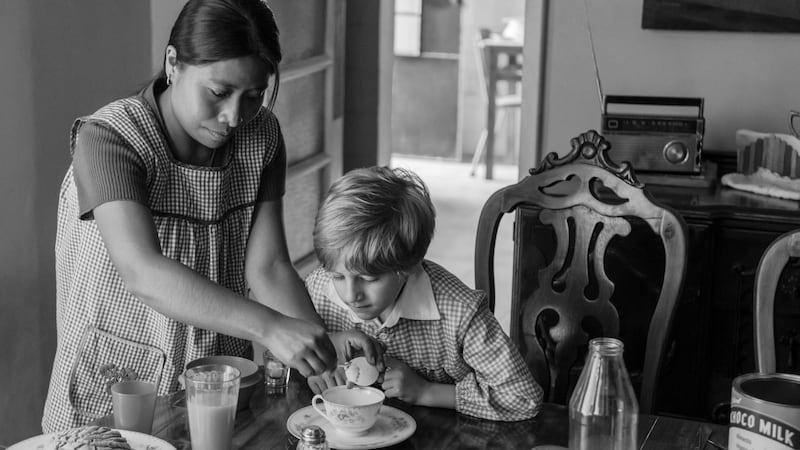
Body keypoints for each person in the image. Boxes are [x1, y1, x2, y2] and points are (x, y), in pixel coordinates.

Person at [43, 0, 380, 433]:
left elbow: (269, 266)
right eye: (219, 93)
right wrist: (271, 327)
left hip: (217, 375)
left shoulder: (261, 137)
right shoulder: (110, 140)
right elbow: (143, 272)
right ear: (173, 63)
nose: (234, 117)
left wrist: (316, 343)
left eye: (254, 95)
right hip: (118, 377)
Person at [304, 166, 543, 421]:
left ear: (408, 265)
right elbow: (280, 350)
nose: (350, 295)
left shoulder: (459, 312)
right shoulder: (319, 288)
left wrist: (427, 391)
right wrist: (317, 362)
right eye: (338, 276)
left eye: (369, 278)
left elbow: (523, 397)